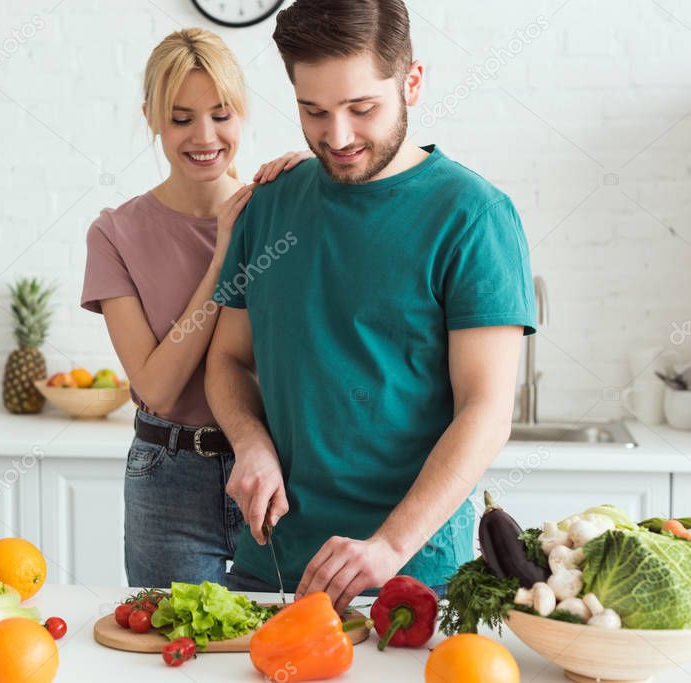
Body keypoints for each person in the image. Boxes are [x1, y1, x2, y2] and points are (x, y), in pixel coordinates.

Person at [206, 0, 537, 613]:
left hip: (410, 582)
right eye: (314, 111)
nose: (338, 137)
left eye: (362, 109)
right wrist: (250, 441)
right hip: (265, 570)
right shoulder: (271, 205)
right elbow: (227, 360)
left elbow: (486, 411)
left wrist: (387, 546)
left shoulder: (472, 217)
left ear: (411, 81)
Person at [80, 27, 310, 588]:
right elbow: (156, 388)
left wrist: (324, 185)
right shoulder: (116, 233)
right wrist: (223, 257)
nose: (204, 136)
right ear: (152, 118)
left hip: (280, 473)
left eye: (221, 113)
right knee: (175, 655)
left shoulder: (282, 209)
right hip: (169, 478)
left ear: (243, 112)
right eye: (181, 118)